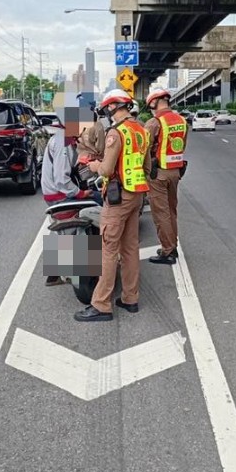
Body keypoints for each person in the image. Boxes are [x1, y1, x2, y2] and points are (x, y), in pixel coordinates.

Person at [75, 89, 151, 322]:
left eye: (107, 108)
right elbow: (147, 167)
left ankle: (101, 305)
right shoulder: (141, 130)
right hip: (137, 194)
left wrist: (93, 165)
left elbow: (107, 170)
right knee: (129, 249)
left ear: (111, 107)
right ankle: (130, 298)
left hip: (118, 197)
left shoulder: (116, 133)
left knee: (108, 250)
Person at [41, 95, 99, 286]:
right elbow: (61, 179)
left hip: (55, 193)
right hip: (61, 194)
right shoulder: (63, 141)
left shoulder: (65, 138)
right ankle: (89, 268)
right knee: (97, 204)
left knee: (62, 228)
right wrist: (80, 193)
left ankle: (55, 272)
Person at [144, 89, 188, 265]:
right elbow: (181, 146)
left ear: (154, 102)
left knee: (161, 213)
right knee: (171, 211)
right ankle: (172, 246)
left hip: (158, 174)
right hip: (175, 172)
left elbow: (143, 148)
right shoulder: (182, 120)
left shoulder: (154, 122)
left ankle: (168, 251)